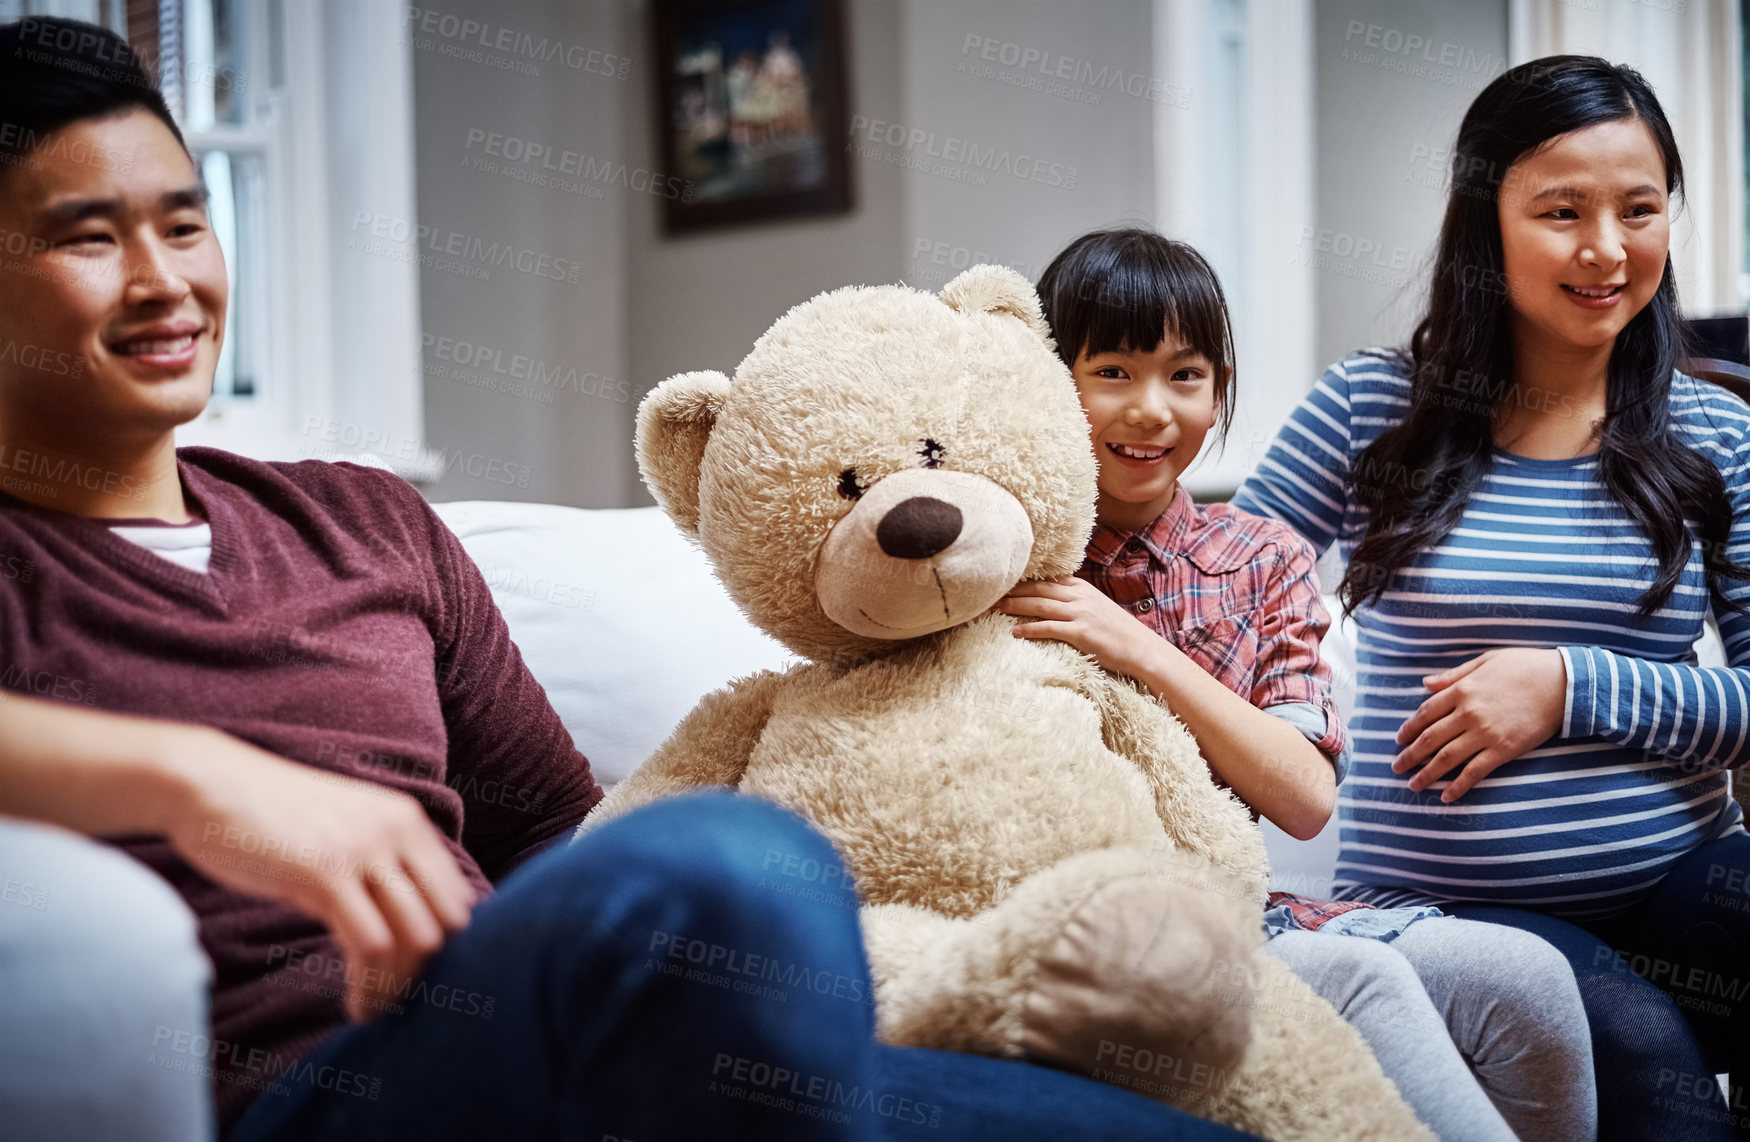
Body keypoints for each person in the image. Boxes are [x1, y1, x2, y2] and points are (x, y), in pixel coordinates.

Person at [0, 18, 1255, 1142]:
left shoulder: (362, 522)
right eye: (87, 238)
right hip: (317, 1093)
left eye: (181, 221)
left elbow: (560, 833)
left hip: (552, 1042)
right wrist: (194, 777)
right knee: (732, 856)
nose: (164, 278)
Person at [1233, 56, 1750, 1142]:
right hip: (1454, 909)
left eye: (1638, 209)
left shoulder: (1717, 435)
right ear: (1487, 222)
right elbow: (1222, 595)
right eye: (1561, 210)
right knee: (1652, 1074)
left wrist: (1568, 686)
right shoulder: (1374, 407)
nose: (1606, 248)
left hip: (1678, 879)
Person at [998, 227, 1596, 1141]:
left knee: (1529, 980)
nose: (1152, 411)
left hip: (1249, 908)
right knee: (1366, 982)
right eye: (1111, 372)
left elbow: (1307, 796)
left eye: (1185, 376)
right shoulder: (1004, 559)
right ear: (1044, 386)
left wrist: (1140, 649)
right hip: (1089, 927)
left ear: (1220, 391)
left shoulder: (1261, 557)